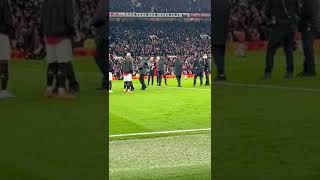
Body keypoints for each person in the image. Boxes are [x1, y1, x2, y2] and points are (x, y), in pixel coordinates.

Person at [41, 0, 77, 98]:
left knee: (51, 63)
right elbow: (69, 17)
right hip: (62, 34)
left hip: (48, 34)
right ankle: (61, 90)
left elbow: (42, 17)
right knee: (62, 63)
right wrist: (73, 31)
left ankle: (48, 89)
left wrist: (43, 32)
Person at [263, 0, 300, 79]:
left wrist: (271, 20)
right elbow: (298, 12)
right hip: (290, 27)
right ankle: (290, 73)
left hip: (278, 26)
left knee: (271, 50)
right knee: (289, 50)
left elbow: (266, 12)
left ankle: (268, 73)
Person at [297, 0, 317, 77]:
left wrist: (299, 13)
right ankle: (307, 69)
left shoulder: (308, 1)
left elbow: (307, 13)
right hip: (310, 26)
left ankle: (311, 71)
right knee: (307, 48)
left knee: (308, 48)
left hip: (308, 26)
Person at [213, 0, 231, 81]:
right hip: (223, 32)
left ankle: (221, 74)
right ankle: (222, 72)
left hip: (215, 32)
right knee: (221, 54)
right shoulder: (226, 3)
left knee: (216, 53)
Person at [0, 0, 15, 99]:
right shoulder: (4, 2)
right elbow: (8, 20)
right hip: (2, 34)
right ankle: (3, 91)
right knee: (3, 62)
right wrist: (12, 36)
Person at [92, 0, 108, 90]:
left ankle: (107, 82)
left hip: (104, 34)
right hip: (104, 34)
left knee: (99, 57)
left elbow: (101, 18)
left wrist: (93, 21)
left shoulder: (104, 2)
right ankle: (106, 82)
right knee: (101, 57)